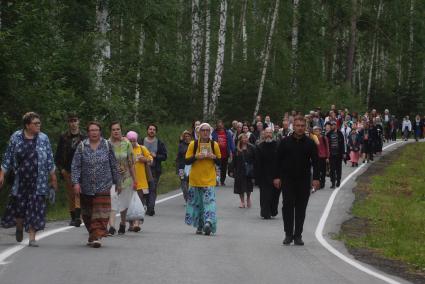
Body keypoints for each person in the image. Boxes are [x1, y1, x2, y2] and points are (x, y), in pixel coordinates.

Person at [0, 112, 58, 247]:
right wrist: (2, 173)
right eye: (35, 123)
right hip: (20, 181)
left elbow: (49, 158)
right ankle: (19, 227)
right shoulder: (16, 137)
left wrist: (53, 177)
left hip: (39, 181)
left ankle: (32, 237)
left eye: (39, 123)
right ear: (27, 125)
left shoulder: (43, 138)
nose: (39, 125)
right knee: (19, 209)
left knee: (36, 207)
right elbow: (8, 157)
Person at [71, 121, 120, 248]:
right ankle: (93, 234)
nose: (94, 132)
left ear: (100, 132)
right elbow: (75, 166)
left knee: (101, 211)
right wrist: (76, 182)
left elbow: (114, 165)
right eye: (91, 130)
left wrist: (117, 182)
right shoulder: (82, 146)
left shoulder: (107, 145)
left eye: (96, 130)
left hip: (104, 184)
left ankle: (97, 236)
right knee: (87, 213)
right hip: (86, 185)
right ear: (88, 132)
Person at [273, 116, 319, 246]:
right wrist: (276, 177)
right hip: (287, 180)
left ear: (305, 127)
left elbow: (316, 162)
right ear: (293, 126)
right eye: (297, 125)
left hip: (304, 180)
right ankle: (288, 234)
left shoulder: (310, 143)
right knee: (287, 206)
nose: (300, 128)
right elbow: (277, 160)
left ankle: (298, 235)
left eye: (302, 126)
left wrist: (316, 178)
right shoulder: (285, 142)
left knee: (301, 208)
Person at [184, 123, 221, 235]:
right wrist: (195, 157)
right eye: (203, 130)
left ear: (210, 132)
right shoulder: (193, 145)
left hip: (209, 179)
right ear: (199, 132)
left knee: (209, 202)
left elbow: (220, 162)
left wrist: (214, 157)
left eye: (207, 130)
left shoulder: (214, 145)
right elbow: (186, 161)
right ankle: (200, 226)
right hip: (195, 180)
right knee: (197, 204)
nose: (205, 132)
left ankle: (209, 222)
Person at [55, 113, 86, 227]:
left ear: (78, 122)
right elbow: (58, 155)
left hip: (82, 169)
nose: (73, 123)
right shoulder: (63, 137)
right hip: (67, 169)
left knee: (79, 192)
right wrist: (61, 169)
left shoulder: (84, 137)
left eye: (75, 120)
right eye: (71, 121)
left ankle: (79, 216)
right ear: (68, 123)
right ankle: (74, 217)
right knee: (71, 194)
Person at [108, 122, 137, 235]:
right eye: (113, 129)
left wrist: (135, 180)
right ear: (111, 131)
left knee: (124, 202)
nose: (116, 131)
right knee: (112, 199)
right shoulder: (107, 143)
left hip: (126, 177)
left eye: (118, 129)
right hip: (111, 178)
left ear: (121, 130)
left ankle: (123, 223)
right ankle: (111, 226)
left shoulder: (126, 143)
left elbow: (131, 163)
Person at [139, 124, 167, 216]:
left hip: (155, 169)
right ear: (147, 130)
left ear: (156, 132)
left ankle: (150, 208)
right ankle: (142, 206)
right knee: (142, 188)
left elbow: (164, 156)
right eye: (150, 129)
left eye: (154, 129)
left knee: (152, 188)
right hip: (141, 169)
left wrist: (156, 156)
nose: (152, 131)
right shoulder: (141, 141)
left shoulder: (159, 143)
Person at [127, 131, 152, 231]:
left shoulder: (142, 148)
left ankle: (137, 223)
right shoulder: (124, 149)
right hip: (128, 181)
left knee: (139, 202)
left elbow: (150, 159)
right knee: (129, 203)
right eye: (130, 141)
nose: (133, 142)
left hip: (141, 181)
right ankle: (131, 224)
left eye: (134, 140)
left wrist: (145, 159)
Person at [255, 128, 280, 219]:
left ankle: (273, 210)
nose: (268, 134)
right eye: (267, 133)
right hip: (264, 175)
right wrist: (257, 178)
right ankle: (265, 212)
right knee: (265, 195)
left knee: (275, 194)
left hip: (276, 174)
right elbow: (257, 163)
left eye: (270, 133)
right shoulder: (260, 147)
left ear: (272, 134)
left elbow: (281, 160)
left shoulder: (278, 145)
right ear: (264, 134)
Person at [233, 133, 255, 208]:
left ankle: (248, 199)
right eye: (243, 138)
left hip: (248, 170)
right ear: (240, 140)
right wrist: (232, 170)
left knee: (248, 186)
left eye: (246, 138)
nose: (245, 139)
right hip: (239, 170)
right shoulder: (237, 149)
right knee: (240, 187)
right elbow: (234, 160)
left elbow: (255, 159)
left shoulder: (252, 147)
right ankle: (242, 202)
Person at [212, 120, 235, 186]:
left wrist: (233, 151)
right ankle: (216, 180)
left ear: (223, 125)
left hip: (225, 153)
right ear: (217, 126)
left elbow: (231, 143)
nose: (220, 126)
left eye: (221, 124)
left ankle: (222, 181)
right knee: (216, 167)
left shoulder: (228, 133)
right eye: (218, 125)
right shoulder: (214, 133)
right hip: (216, 154)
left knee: (224, 168)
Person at [326, 121, 345, 188]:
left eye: (333, 125)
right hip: (331, 154)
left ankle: (338, 180)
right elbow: (326, 144)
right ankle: (333, 182)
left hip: (338, 154)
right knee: (332, 169)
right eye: (331, 125)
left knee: (338, 168)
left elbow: (343, 144)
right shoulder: (329, 134)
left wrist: (343, 153)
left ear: (336, 125)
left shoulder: (340, 133)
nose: (332, 126)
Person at [176, 130, 192, 202]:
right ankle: (187, 198)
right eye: (185, 136)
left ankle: (191, 197)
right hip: (181, 167)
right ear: (183, 137)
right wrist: (178, 168)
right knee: (183, 183)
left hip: (191, 167)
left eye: (188, 136)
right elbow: (179, 156)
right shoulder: (181, 145)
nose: (187, 137)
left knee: (189, 183)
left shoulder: (193, 145)